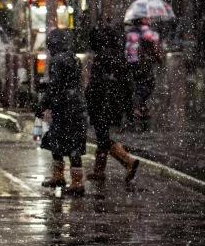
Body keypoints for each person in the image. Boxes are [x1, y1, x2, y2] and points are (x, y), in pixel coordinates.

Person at [37, 29, 88, 195]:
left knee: (57, 139)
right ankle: (75, 180)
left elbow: (55, 86)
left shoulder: (57, 60)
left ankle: (65, 178)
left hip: (64, 106)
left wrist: (43, 104)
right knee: (73, 143)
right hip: (77, 105)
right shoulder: (74, 58)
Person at [86, 25, 140, 182]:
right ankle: (98, 171)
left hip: (101, 102)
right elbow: (127, 84)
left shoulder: (102, 57)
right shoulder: (120, 57)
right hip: (114, 103)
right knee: (103, 136)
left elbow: (95, 84)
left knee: (102, 137)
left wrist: (88, 100)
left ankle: (128, 161)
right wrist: (127, 107)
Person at [125, 18, 162, 130]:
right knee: (148, 85)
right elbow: (155, 41)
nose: (149, 19)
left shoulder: (131, 32)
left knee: (140, 83)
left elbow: (127, 49)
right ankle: (137, 108)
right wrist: (159, 58)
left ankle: (141, 108)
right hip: (143, 63)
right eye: (147, 18)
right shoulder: (147, 31)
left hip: (132, 62)